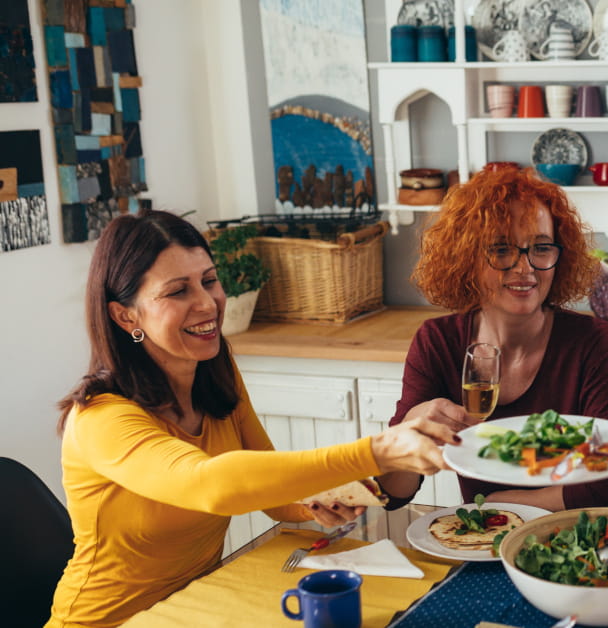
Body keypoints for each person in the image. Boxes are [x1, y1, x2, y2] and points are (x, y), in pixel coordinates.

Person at [47, 211, 453, 628]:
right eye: (177, 292)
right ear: (125, 316)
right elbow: (209, 484)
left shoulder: (214, 374)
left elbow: (276, 500)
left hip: (195, 606)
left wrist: (335, 496)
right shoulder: (100, 418)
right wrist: (376, 450)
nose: (207, 303)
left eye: (208, 280)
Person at [377, 167, 608, 512]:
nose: (525, 268)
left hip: (569, 539)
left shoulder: (592, 342)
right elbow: (393, 494)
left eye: (541, 248)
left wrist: (495, 505)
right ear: (467, 256)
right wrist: (410, 430)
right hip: (485, 543)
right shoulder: (436, 342)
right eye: (501, 249)